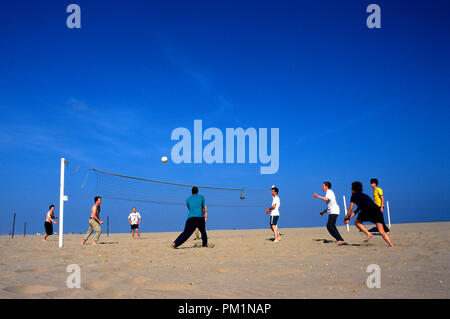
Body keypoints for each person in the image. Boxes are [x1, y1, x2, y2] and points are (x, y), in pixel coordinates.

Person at [344, 182, 393, 247]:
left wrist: (346, 217)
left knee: (356, 222)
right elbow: (356, 211)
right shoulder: (364, 196)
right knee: (382, 232)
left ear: (353, 189)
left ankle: (368, 234)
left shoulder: (354, 196)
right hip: (376, 210)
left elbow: (351, 208)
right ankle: (391, 244)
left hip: (367, 210)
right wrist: (349, 218)